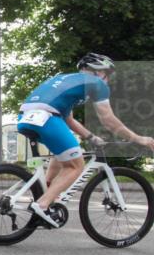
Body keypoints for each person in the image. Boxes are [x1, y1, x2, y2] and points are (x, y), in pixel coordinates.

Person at [16, 52, 154, 228]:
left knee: (63, 154)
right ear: (98, 71)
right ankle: (42, 205)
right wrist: (138, 138)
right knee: (76, 165)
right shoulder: (96, 83)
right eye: (108, 74)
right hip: (48, 118)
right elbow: (108, 120)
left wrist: (91, 137)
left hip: (25, 117)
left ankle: (46, 192)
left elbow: (69, 120)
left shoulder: (66, 80)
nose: (108, 80)